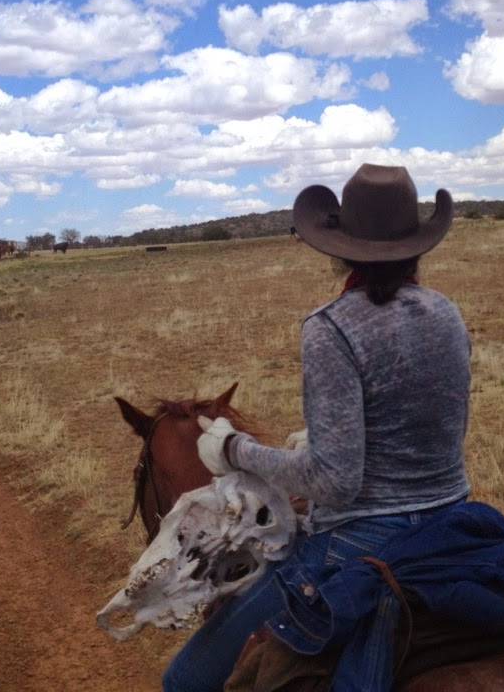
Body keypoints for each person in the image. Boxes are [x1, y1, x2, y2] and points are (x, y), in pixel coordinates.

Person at [162, 164, 473, 692]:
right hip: (457, 518)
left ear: (341, 247)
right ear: (419, 244)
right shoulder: (446, 312)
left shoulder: (331, 327)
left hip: (362, 537)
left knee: (184, 680)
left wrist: (236, 449)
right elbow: (434, 423)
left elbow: (334, 484)